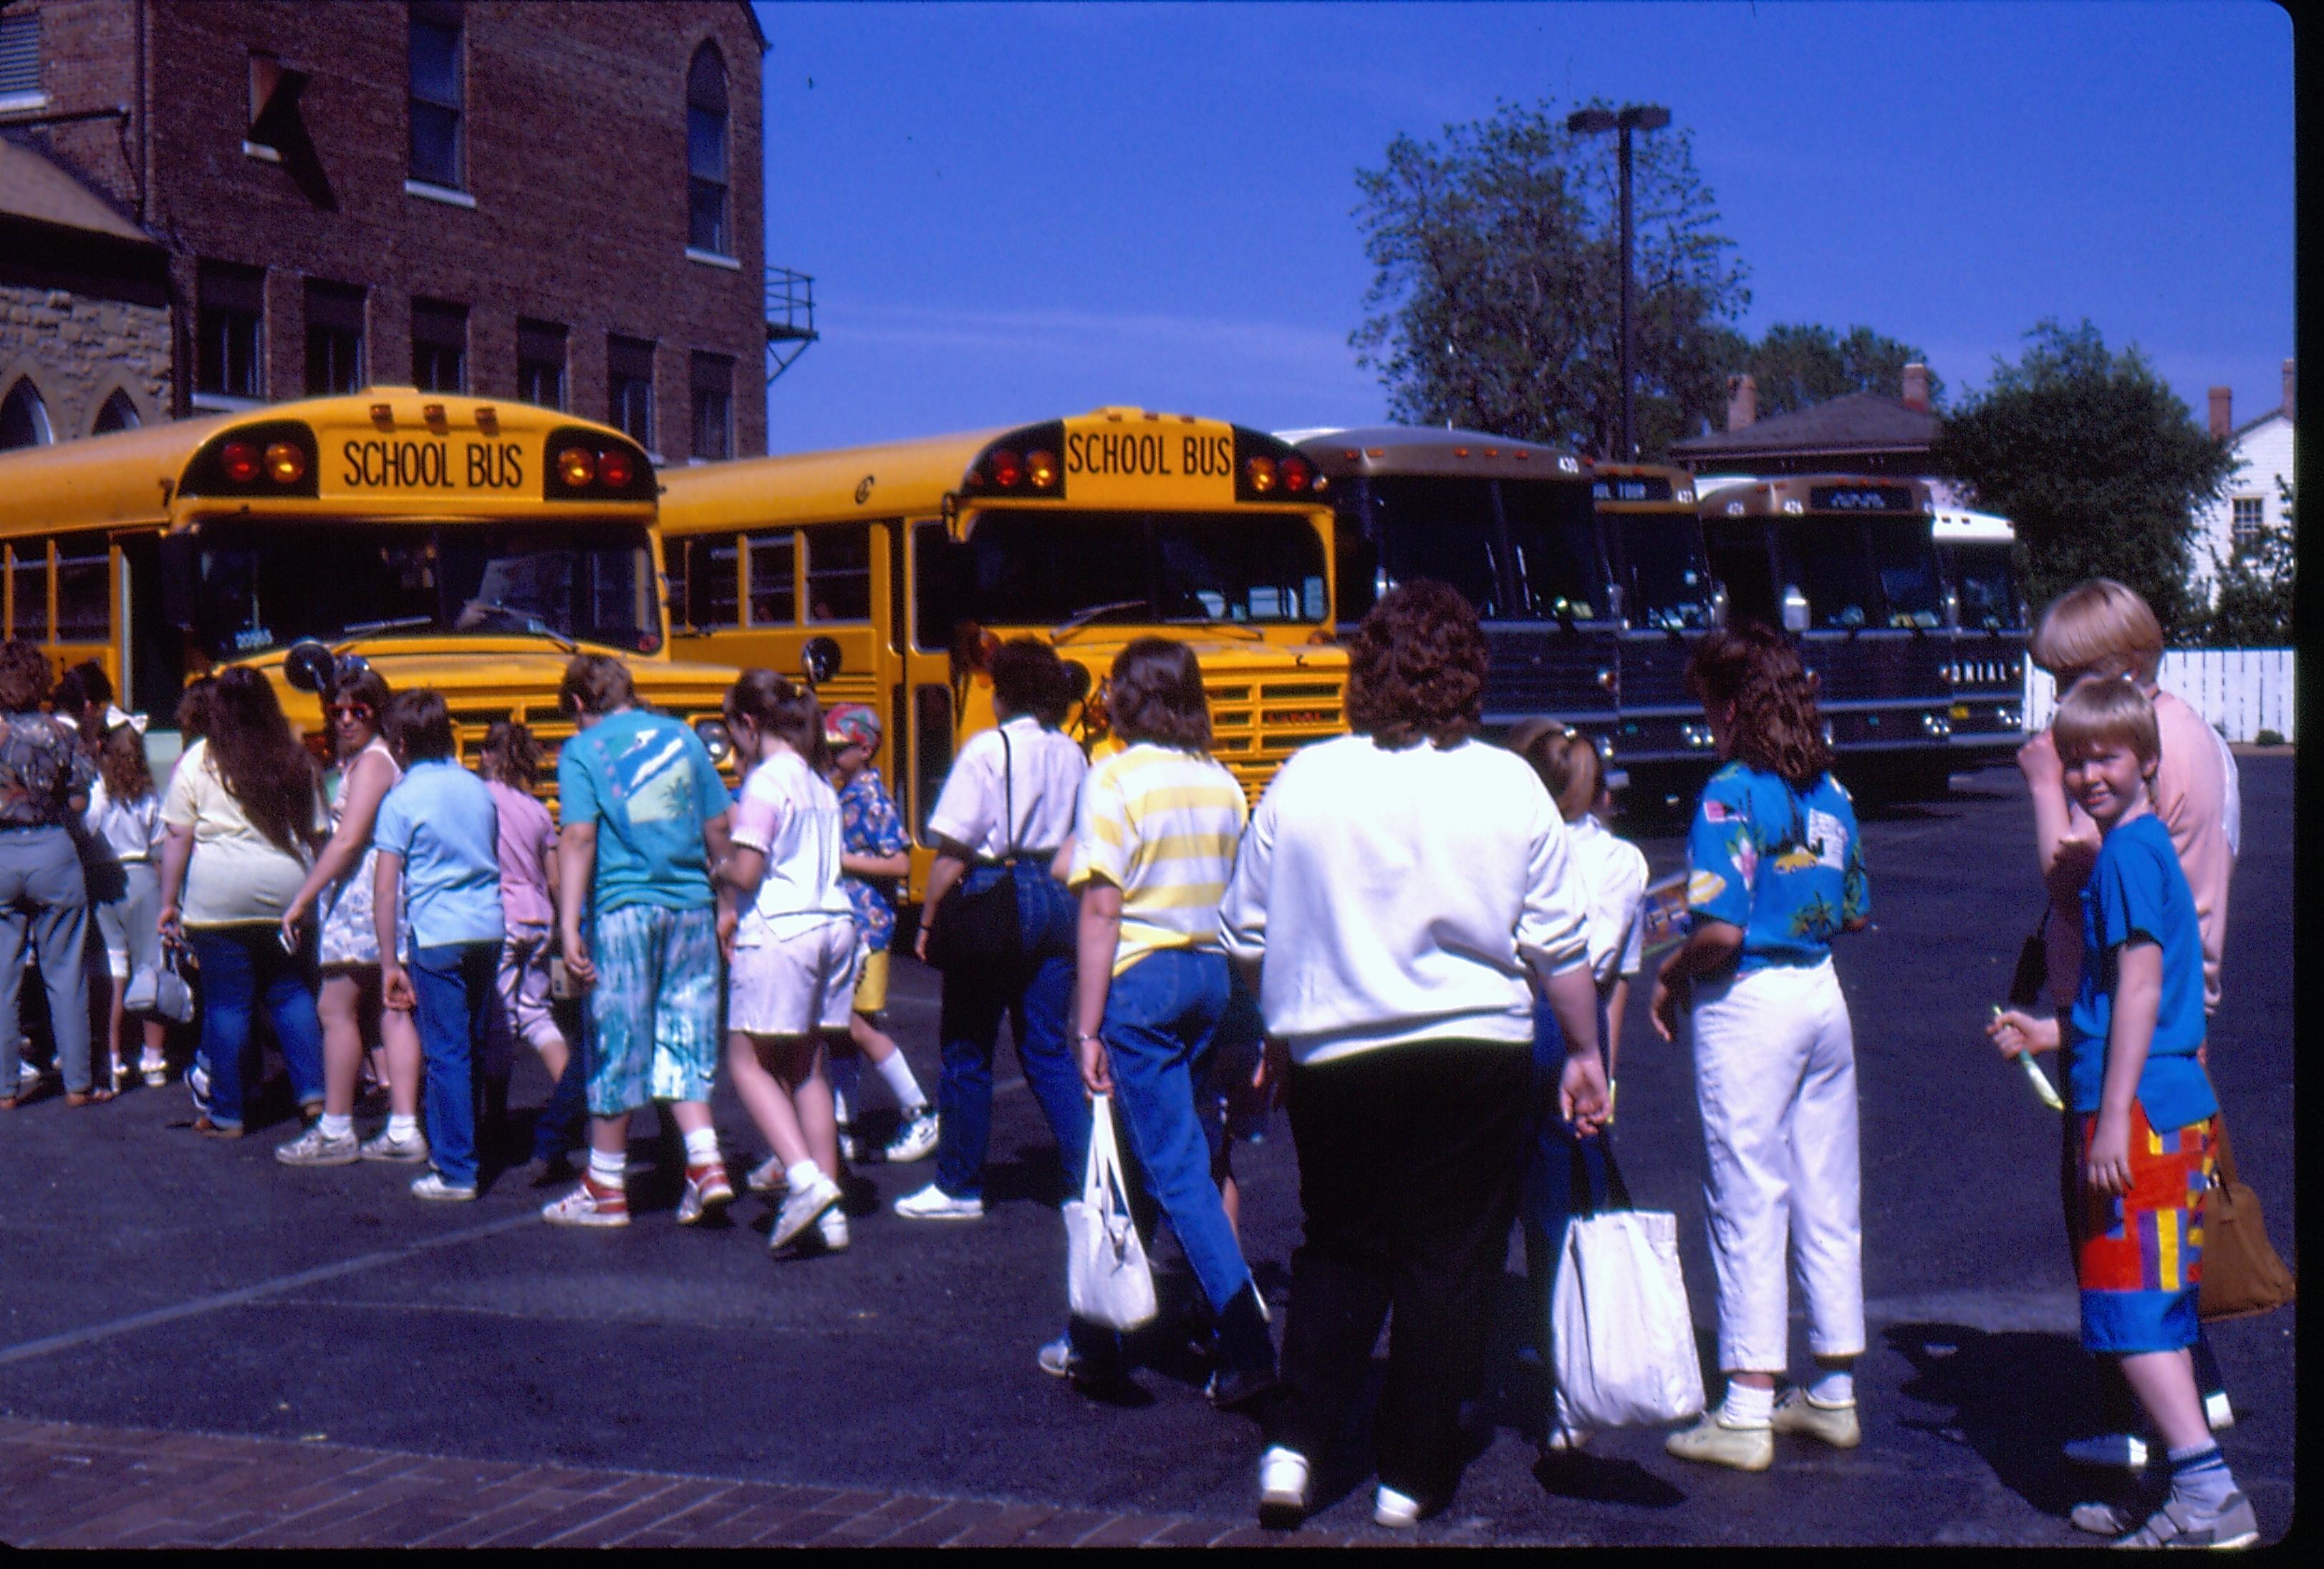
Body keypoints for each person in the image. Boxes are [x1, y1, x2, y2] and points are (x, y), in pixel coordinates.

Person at [1218, 581, 1607, 1530]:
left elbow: (1243, 929)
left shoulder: (1304, 776)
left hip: (1336, 1045)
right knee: (1449, 1256)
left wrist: (1273, 1026)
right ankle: (1411, 1470)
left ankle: (1295, 1445)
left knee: (1340, 1243)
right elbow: (1558, 943)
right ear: (1469, 670)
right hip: (1471, 1045)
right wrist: (1587, 1048)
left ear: (1367, 669)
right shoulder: (1507, 782)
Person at [1988, 675, 2256, 1549]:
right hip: (2162, 1104)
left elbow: (2139, 992)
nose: (2085, 774)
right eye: (2072, 759)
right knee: (2157, 1306)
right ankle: (2173, 1484)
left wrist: (2106, 1120)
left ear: (2146, 759)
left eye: (2104, 756)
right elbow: (2119, 997)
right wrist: (2047, 1028)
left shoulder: (2126, 860)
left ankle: (2205, 1493)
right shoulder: (2135, 853)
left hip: (2137, 1116)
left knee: (2128, 1309)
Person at [2017, 578, 2239, 1477]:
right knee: (2157, 1254)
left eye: (2067, 677)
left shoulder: (2127, 827)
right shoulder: (2195, 736)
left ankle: (2165, 1448)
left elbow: (2066, 876)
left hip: (2129, 1061)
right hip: (2159, 1036)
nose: (2057, 703)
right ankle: (2183, 1415)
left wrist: (2043, 782)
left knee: (2118, 1258)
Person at [1649, 622, 1870, 1474]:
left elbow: (1718, 931)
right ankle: (1833, 1387)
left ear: (1732, 706)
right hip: (1821, 996)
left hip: (1748, 1004)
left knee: (1746, 1191)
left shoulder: (1727, 793)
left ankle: (1743, 1405)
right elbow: (1850, 908)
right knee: (1825, 1189)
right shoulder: (1831, 794)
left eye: (1709, 707)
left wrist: (1668, 974)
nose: (1707, 723)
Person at [1059, 639, 1275, 1403]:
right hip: (1211, 976)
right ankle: (1092, 1332)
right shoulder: (1220, 781)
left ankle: (1246, 1337)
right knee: (1137, 1150)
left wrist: (1086, 1027)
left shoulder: (1112, 777)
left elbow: (1102, 905)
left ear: (1124, 697)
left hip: (1140, 982)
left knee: (1174, 1165)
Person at [897, 639, 1090, 1225]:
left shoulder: (989, 747)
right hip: (1057, 894)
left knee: (967, 1045)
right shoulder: (1071, 752)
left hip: (995, 889)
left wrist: (928, 918)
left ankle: (959, 1185)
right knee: (1046, 1047)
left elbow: (954, 847)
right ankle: (1086, 1182)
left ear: (1004, 690)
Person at [541, 654, 733, 1229]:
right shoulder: (684, 737)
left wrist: (569, 924)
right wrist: (726, 904)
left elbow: (576, 837)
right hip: (692, 906)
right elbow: (719, 828)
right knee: (686, 1036)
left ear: (578, 705)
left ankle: (605, 1185)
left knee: (617, 1041)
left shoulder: (581, 751)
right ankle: (707, 1164)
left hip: (623, 908)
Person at [1508, 720, 1649, 1451]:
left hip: (1505, 1018)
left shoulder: (1508, 842)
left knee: (1480, 1199)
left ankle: (1459, 1378)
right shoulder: (1623, 860)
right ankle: (1569, 1387)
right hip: (1576, 1026)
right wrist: (1603, 1076)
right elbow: (1613, 978)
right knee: (1561, 1208)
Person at [157, 667, 329, 1137]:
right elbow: (318, 835)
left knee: (228, 1004)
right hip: (286, 891)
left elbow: (178, 836)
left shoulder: (200, 759)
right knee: (292, 994)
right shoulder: (296, 758)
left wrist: (168, 900)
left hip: (218, 895)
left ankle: (227, 1113)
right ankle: (315, 1095)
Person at [717, 671, 857, 1251]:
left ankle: (802, 1178)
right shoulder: (820, 783)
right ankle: (830, 1208)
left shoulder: (765, 782)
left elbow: (747, 870)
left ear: (749, 725)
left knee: (746, 1060)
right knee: (807, 1064)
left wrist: (717, 868)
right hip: (835, 923)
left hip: (783, 926)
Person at [274, 667, 425, 1167]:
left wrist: (303, 897)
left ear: (376, 713)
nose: (343, 720)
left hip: (361, 896)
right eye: (335, 712)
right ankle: (402, 1126)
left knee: (335, 1008)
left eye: (356, 711)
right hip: (377, 896)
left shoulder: (373, 764)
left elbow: (348, 839)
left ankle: (337, 1126)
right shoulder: (373, 761)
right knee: (387, 1010)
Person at [370, 690, 505, 1201]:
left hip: (437, 931)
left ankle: (456, 1168)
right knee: (468, 1043)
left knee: (445, 1050)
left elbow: (387, 887)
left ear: (401, 744)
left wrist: (388, 961)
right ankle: (461, 1144)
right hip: (487, 926)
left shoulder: (401, 799)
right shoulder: (477, 788)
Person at [817, 702, 937, 1167]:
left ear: (864, 747)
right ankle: (842, 1124)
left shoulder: (870, 796)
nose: (832, 755)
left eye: (839, 748)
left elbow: (900, 861)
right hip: (849, 924)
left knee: (853, 1023)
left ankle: (918, 1108)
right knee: (840, 1031)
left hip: (867, 926)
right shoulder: (845, 791)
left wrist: (842, 861)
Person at [0, 640, 101, 1109]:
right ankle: (78, 1082)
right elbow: (80, 796)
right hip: (54, 850)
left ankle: (5, 1088)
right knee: (66, 970)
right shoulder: (62, 733)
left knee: (2, 976)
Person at [474, 723, 568, 1133]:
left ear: (489, 756)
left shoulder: (481, 801)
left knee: (499, 1021)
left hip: (504, 915)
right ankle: (571, 1099)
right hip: (540, 917)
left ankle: (494, 1115)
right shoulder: (537, 810)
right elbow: (555, 876)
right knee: (537, 1015)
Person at [84, 721, 168, 1093]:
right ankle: (153, 1059)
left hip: (105, 879)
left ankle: (113, 1059)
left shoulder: (98, 792)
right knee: (150, 970)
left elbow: (87, 829)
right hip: (143, 878)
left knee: (113, 976)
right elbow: (160, 845)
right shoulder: (151, 795)